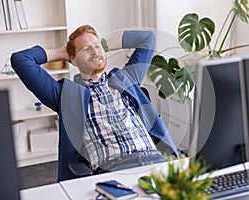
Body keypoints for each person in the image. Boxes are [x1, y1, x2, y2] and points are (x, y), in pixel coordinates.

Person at [11, 25, 179, 181]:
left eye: (97, 46)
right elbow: (21, 60)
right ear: (73, 60)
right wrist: (64, 52)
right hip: (114, 172)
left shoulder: (126, 79)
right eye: (86, 49)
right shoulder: (66, 94)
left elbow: (147, 38)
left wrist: (100, 46)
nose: (94, 51)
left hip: (156, 162)